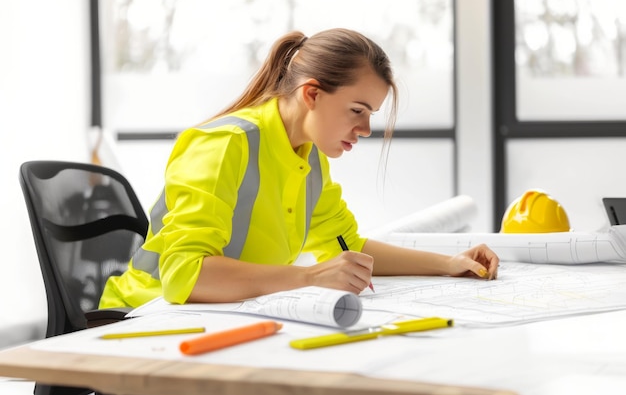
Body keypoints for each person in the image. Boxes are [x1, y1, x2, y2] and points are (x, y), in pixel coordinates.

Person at [99, 28, 499, 309]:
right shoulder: (224, 145)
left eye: (371, 114)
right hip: (144, 318)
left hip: (220, 318)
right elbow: (186, 276)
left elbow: (347, 246)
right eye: (357, 110)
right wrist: (310, 278)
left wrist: (448, 265)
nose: (365, 129)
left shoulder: (309, 157)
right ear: (311, 93)